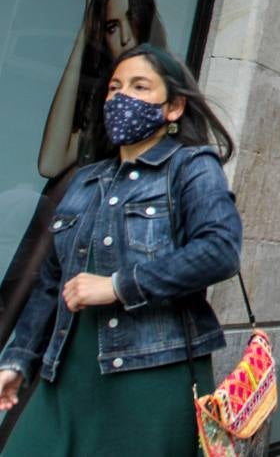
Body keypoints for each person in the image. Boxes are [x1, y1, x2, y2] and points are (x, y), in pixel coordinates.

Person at [0, 43, 243, 455]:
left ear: (174, 108)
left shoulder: (192, 166)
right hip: (66, 373)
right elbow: (50, 282)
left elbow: (220, 250)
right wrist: (18, 360)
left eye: (139, 87)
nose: (121, 98)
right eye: (114, 88)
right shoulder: (85, 179)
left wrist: (118, 286)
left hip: (151, 374)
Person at [1, 0, 165, 345]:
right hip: (66, 241)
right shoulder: (103, 97)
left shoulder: (161, 97)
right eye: (110, 26)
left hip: (102, 251)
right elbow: (51, 161)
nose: (124, 36)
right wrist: (83, 31)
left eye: (130, 19)